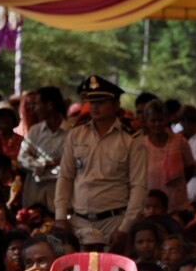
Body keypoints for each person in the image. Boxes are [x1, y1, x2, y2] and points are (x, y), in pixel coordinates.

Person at [54, 75, 148, 253]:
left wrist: (125, 227)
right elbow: (65, 176)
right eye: (92, 102)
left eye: (101, 102)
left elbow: (139, 186)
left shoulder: (131, 137)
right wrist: (60, 216)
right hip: (78, 220)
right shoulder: (76, 133)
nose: (94, 107)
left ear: (116, 105)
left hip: (114, 220)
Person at [18, 86, 69, 213]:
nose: (35, 109)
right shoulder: (35, 131)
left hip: (60, 200)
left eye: (37, 104)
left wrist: (36, 164)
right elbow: (22, 159)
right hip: (34, 196)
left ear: (49, 105)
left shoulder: (72, 133)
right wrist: (48, 163)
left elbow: (70, 165)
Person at [142, 100, 194, 212]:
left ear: (167, 119)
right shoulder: (141, 145)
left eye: (161, 120)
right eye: (153, 120)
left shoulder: (180, 141)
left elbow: (190, 169)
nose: (157, 124)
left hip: (177, 205)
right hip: (151, 208)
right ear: (146, 122)